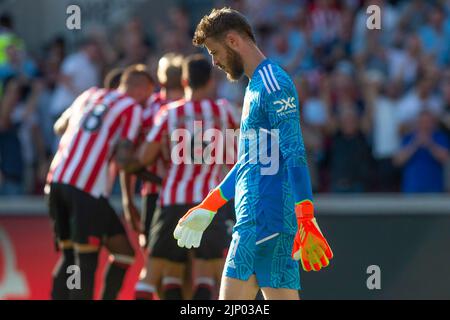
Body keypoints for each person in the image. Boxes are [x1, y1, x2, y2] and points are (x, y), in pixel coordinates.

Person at [173, 7, 333, 300]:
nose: (215, 62)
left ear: (233, 41)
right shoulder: (255, 86)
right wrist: (210, 205)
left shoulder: (273, 83)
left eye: (214, 51)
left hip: (265, 220)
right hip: (257, 220)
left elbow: (295, 152)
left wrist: (306, 217)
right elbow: (251, 160)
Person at [126, 54, 238, 299]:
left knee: (151, 275)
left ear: (185, 81)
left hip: (172, 200)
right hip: (208, 202)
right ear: (210, 81)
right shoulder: (222, 110)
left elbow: (144, 157)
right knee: (207, 275)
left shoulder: (169, 113)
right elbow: (239, 154)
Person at [45, 64, 154, 300]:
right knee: (84, 261)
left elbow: (59, 127)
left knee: (117, 252)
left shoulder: (89, 94)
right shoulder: (131, 108)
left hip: (56, 182)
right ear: (142, 88)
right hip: (86, 189)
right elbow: (125, 159)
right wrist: (154, 176)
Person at [394, 109, 450, 193]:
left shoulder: (440, 137)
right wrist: (415, 144)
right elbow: (398, 161)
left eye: (428, 122)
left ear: (433, 123)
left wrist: (430, 144)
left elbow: (445, 159)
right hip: (412, 188)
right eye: (422, 122)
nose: (425, 125)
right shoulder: (408, 138)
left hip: (434, 189)